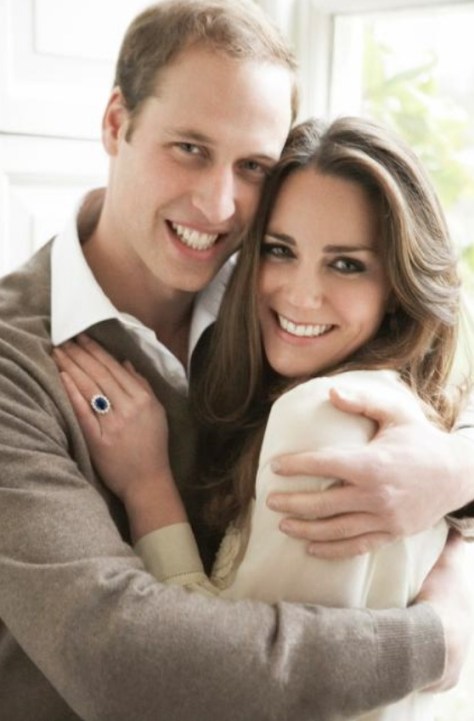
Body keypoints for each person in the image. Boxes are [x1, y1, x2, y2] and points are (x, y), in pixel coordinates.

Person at [0, 1, 472, 719]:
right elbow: (121, 661)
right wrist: (435, 641)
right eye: (189, 148)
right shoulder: (15, 364)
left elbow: (444, 379)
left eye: (253, 166)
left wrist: (453, 475)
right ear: (117, 123)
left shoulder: (280, 308)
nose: (219, 205)